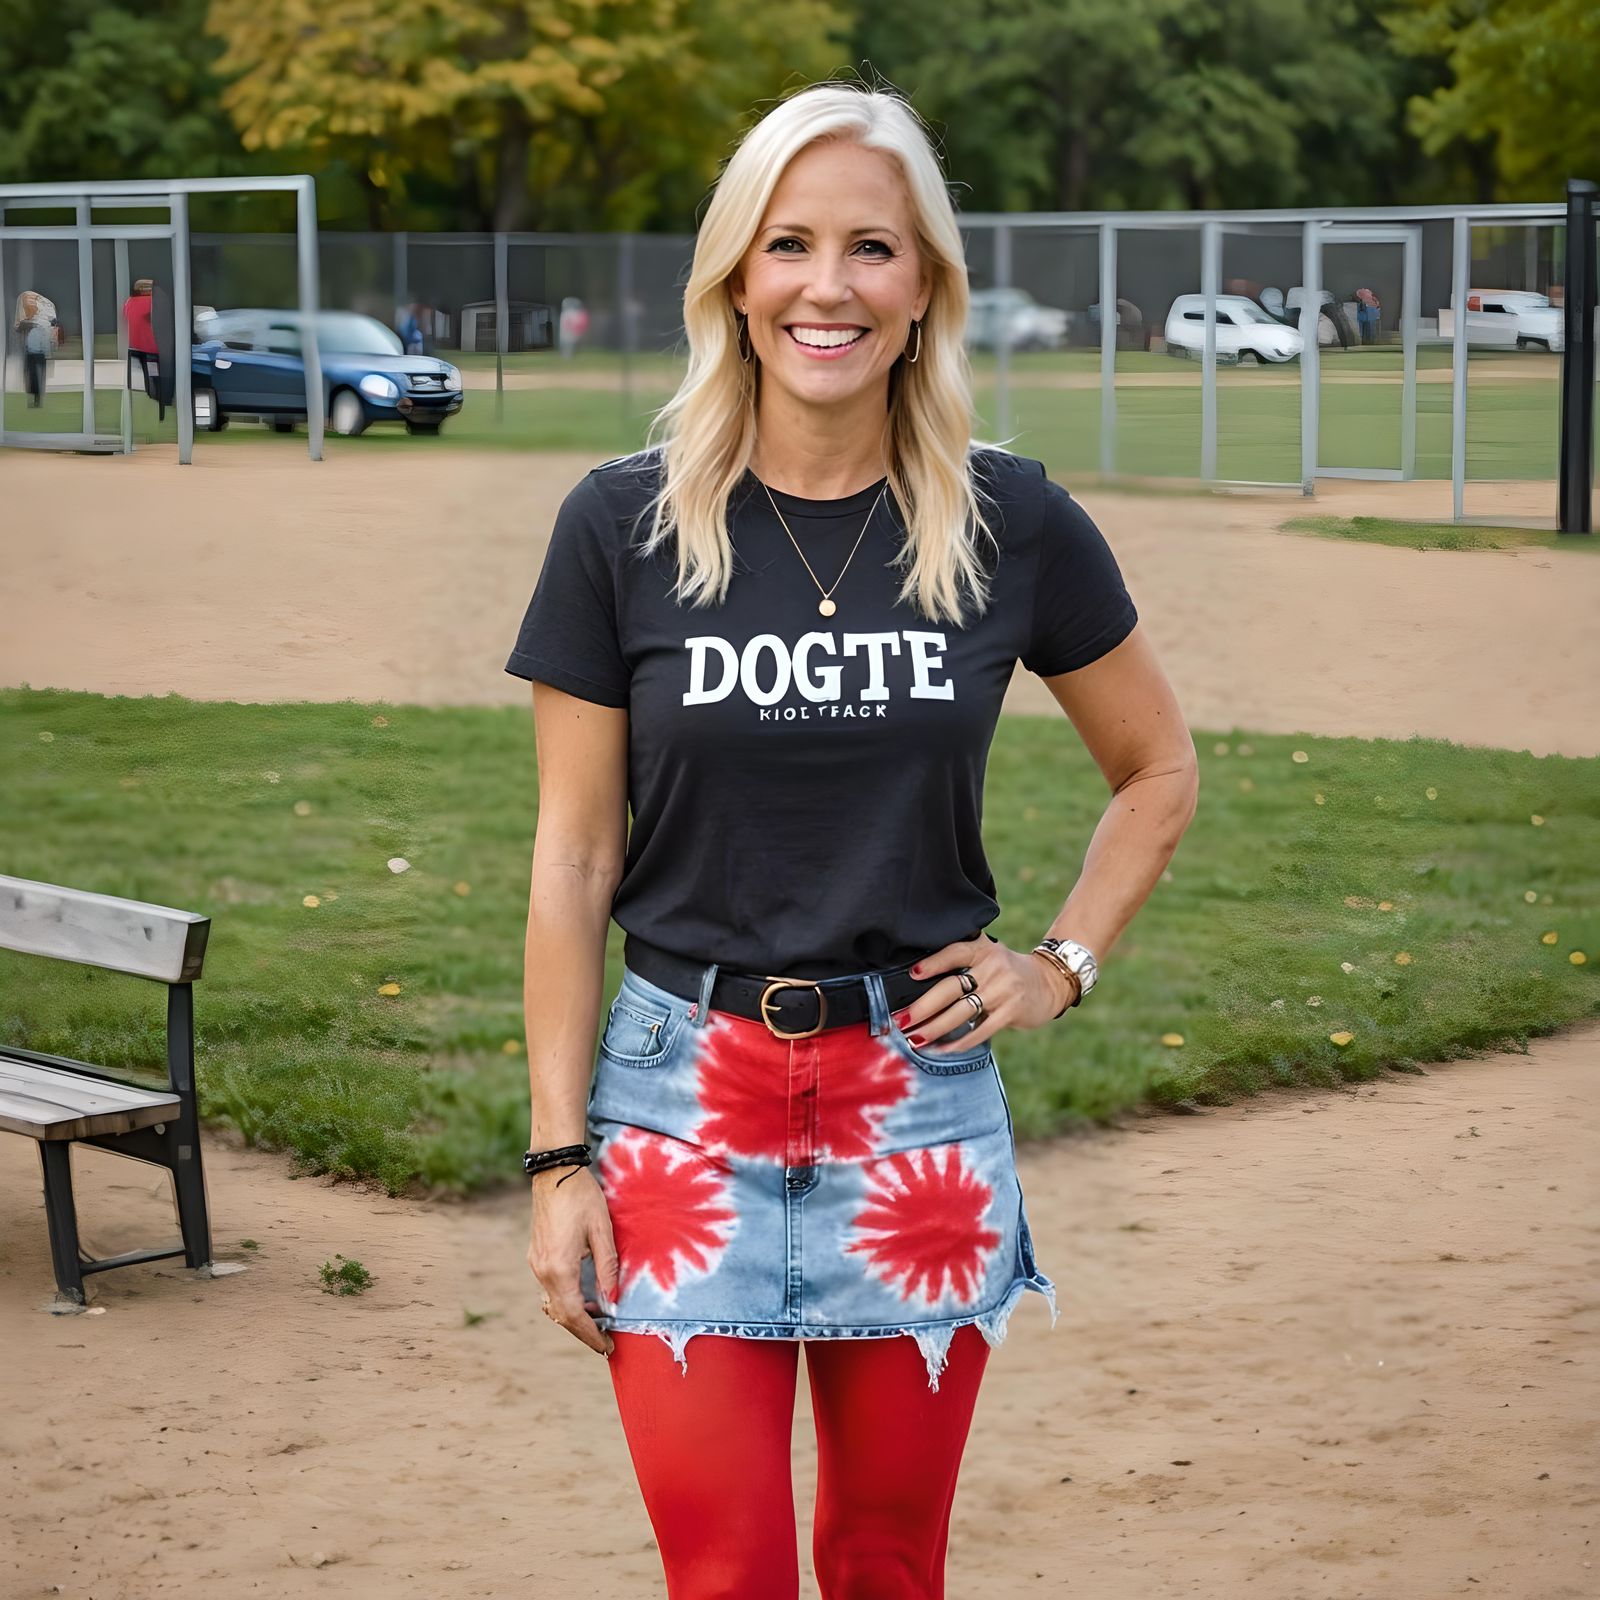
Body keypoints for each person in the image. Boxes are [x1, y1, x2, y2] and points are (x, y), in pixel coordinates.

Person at [505, 81, 1199, 1597]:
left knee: (890, 1565)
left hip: (918, 1104)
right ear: (736, 281)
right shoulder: (619, 525)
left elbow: (1156, 769)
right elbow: (572, 865)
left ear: (925, 285)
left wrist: (1061, 965)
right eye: (790, 244)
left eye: (872, 248)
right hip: (679, 1105)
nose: (830, 286)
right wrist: (561, 1157)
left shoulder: (1010, 519)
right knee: (729, 1574)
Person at [12, 289, 59, 408]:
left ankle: (37, 400)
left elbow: (50, 327)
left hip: (39, 350)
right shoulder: (33, 320)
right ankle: (34, 398)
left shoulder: (42, 319)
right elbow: (20, 328)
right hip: (31, 350)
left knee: (37, 375)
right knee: (30, 375)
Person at [122, 278, 158, 393]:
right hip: (151, 345)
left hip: (134, 343)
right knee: (153, 371)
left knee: (145, 369)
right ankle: (155, 391)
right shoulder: (152, 302)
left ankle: (149, 388)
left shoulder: (129, 302)